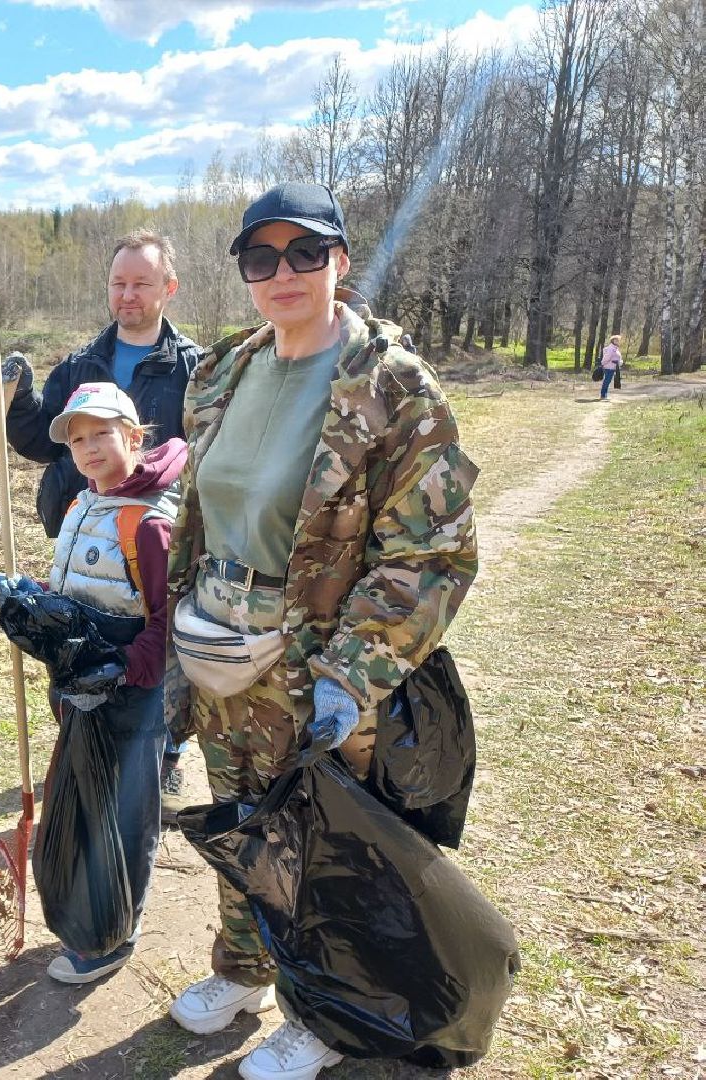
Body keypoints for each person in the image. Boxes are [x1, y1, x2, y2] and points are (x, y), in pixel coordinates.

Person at [162, 183, 478, 1080]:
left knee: (324, 850)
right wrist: (179, 632)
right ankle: (245, 968)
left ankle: (324, 1013)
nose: (283, 273)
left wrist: (350, 673)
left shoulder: (391, 387)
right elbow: (200, 515)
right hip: (223, 649)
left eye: (305, 252)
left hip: (323, 667)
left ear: (342, 258)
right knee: (240, 825)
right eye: (260, 258)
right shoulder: (222, 371)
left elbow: (433, 554)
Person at [0, 228, 202, 814]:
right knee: (82, 646)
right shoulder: (82, 363)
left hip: (151, 540)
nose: (128, 294)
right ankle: (82, 739)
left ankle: (162, 757)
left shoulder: (190, 367)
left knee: (156, 640)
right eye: (119, 283)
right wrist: (20, 397)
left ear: (169, 288)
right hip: (82, 528)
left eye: (141, 283)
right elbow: (42, 442)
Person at [0, 381, 185, 984]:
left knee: (124, 810)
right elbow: (76, 588)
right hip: (78, 684)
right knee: (79, 799)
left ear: (134, 436)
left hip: (129, 693)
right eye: (76, 439)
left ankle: (114, 930)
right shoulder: (81, 506)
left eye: (101, 433)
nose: (88, 448)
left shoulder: (149, 525)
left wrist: (125, 669)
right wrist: (37, 606)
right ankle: (85, 912)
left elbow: (166, 621)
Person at [600, 333, 622, 399]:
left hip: (613, 367)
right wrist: (602, 363)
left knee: (608, 381)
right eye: (616, 340)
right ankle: (603, 395)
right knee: (607, 381)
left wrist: (619, 363)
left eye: (618, 340)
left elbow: (619, 358)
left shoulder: (616, 349)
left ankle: (604, 395)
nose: (618, 341)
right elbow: (607, 357)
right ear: (613, 341)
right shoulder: (611, 348)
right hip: (608, 367)